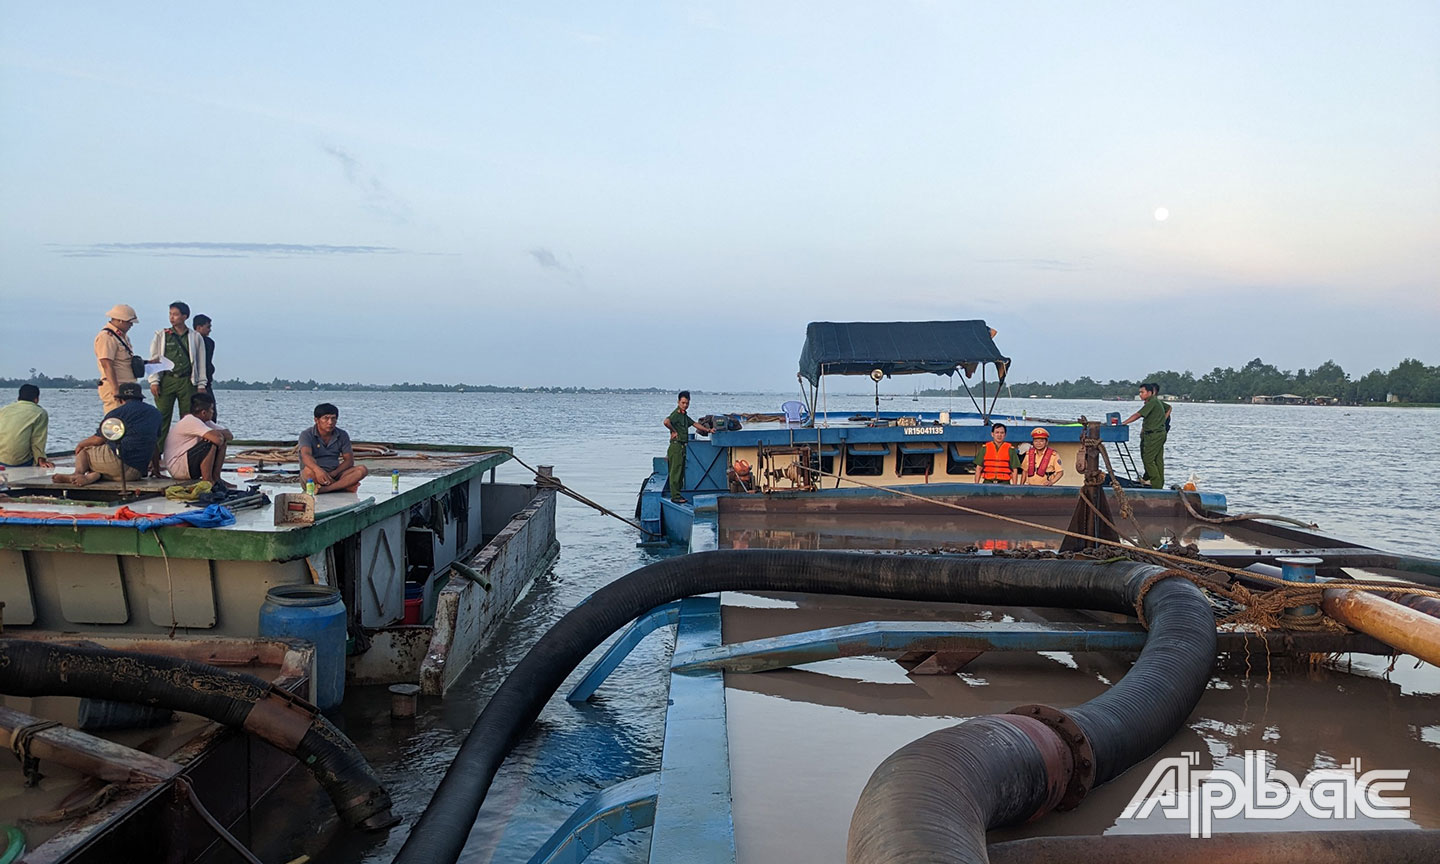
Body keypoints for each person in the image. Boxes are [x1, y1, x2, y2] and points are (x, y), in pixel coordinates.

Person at [53, 382, 161, 486]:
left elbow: (98, 440)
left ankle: (77, 474)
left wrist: (81, 444)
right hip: (135, 473)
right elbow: (155, 444)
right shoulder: (155, 413)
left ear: (120, 399)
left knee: (85, 451)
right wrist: (156, 469)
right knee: (107, 460)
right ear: (141, 398)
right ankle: (95, 475)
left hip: (117, 464)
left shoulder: (117, 413)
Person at [147, 301, 210, 469]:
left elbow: (201, 362)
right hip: (167, 379)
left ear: (185, 316)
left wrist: (201, 384)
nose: (172, 318)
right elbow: (154, 359)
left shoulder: (195, 337)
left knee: (188, 418)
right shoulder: (162, 335)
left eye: (175, 314)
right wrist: (154, 381)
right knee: (161, 419)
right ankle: (154, 459)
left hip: (186, 380)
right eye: (170, 314)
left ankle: (187, 453)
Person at [162, 392, 232, 485]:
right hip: (179, 467)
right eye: (211, 409)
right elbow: (217, 439)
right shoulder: (191, 421)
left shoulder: (206, 422)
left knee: (221, 442)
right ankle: (207, 480)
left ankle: (216, 478)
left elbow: (229, 436)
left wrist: (213, 434)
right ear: (204, 412)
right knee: (210, 443)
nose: (213, 412)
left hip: (188, 465)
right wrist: (213, 435)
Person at [298, 403, 369, 493]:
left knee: (362, 470)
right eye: (326, 418)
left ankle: (325, 489)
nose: (330, 422)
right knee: (308, 471)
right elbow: (306, 455)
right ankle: (342, 486)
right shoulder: (306, 434)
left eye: (333, 418)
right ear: (316, 420)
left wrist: (334, 473)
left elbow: (349, 460)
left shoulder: (342, 435)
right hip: (315, 474)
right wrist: (318, 470)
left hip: (335, 473)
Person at [663, 391, 714, 503]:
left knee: (681, 472)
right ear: (678, 402)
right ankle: (675, 496)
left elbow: (695, 424)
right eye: (683, 403)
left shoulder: (684, 415)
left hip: (682, 447)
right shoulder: (676, 414)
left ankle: (678, 494)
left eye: (687, 403)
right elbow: (666, 422)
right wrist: (673, 431)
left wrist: (708, 430)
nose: (685, 405)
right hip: (676, 446)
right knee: (675, 472)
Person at [1123, 382, 1172, 489]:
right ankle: (1159, 484)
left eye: (1142, 392)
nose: (1140, 394)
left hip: (1154, 435)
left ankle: (1155, 484)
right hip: (1158, 433)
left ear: (1150, 392)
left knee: (1148, 459)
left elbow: (1138, 415)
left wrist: (1123, 423)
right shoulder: (1154, 402)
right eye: (1139, 392)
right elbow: (1168, 408)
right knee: (1158, 459)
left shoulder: (1152, 402)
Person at [94, 303, 141, 413]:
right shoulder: (106, 337)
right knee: (116, 420)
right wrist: (115, 390)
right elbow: (107, 364)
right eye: (129, 322)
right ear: (120, 320)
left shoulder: (122, 337)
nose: (131, 325)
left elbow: (124, 361)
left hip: (129, 387)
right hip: (116, 386)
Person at [0, 385, 53, 467]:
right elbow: (38, 440)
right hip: (19, 462)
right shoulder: (40, 413)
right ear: (36, 399)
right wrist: (41, 460)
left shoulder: (4, 410)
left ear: (18, 398)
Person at [194, 314, 217, 416]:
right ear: (199, 327)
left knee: (210, 413)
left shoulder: (210, 342)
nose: (210, 330)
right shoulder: (192, 341)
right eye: (208, 327)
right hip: (197, 381)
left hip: (206, 381)